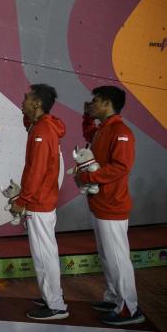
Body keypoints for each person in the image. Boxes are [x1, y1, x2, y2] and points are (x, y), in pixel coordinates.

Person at [77, 86, 144, 326]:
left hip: (112, 205)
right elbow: (90, 135)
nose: (90, 104)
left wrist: (87, 178)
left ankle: (129, 309)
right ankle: (114, 297)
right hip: (100, 203)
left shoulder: (120, 131)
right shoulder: (103, 129)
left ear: (106, 103)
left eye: (94, 101)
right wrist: (87, 115)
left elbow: (121, 167)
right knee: (107, 256)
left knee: (117, 259)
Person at [10, 84, 69, 320]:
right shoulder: (41, 126)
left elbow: (37, 170)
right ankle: (52, 297)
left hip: (38, 202)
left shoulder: (43, 131)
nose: (22, 100)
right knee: (46, 253)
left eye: (27, 98)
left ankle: (55, 305)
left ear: (37, 103)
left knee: (44, 255)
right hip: (42, 201)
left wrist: (23, 200)